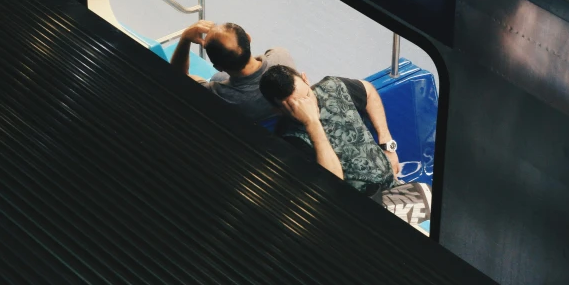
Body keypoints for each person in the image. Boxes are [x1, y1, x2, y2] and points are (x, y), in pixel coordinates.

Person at [259, 65, 401, 198]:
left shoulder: (332, 86)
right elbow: (333, 183)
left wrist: (387, 143)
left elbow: (368, 91)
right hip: (364, 203)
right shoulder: (289, 140)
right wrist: (312, 123)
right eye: (296, 105)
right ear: (278, 110)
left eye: (307, 96)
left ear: (305, 79)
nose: (308, 105)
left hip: (394, 185)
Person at [171, 21, 297, 123]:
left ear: (218, 67)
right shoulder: (281, 56)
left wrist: (185, 38)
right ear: (248, 38)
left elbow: (177, 77)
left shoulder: (220, 93)